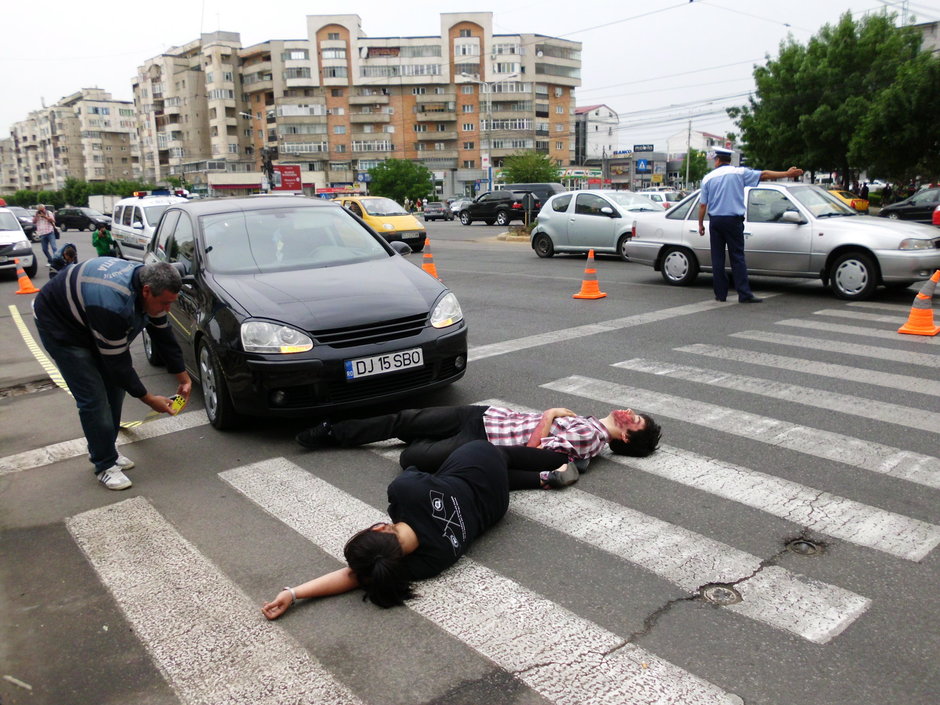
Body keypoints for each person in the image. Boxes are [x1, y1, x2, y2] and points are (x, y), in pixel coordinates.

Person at [262, 440, 576, 618]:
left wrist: (294, 593)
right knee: (431, 456)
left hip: (497, 505)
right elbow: (415, 472)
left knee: (485, 477)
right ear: (382, 529)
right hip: (479, 461)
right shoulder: (405, 491)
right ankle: (564, 457)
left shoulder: (427, 563)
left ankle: (541, 478)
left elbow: (355, 576)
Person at [33, 259, 192, 490]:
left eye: (171, 303)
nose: (167, 309)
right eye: (164, 303)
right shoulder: (112, 305)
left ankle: (107, 448)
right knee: (94, 399)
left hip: (90, 315)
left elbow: (163, 335)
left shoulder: (152, 285)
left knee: (115, 391)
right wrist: (148, 399)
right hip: (61, 327)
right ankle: (104, 464)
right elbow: (118, 363)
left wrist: (183, 378)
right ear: (146, 291)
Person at [296, 405, 662, 474]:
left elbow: (532, 451)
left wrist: (550, 415)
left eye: (635, 421)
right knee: (405, 419)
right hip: (484, 417)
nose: (629, 412)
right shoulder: (589, 425)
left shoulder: (589, 438)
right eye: (636, 413)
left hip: (482, 436)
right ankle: (332, 431)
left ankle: (335, 432)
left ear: (627, 440)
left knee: (412, 454)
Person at [697, 147, 803, 303]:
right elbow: (765, 174)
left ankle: (720, 294)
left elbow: (702, 206)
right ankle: (744, 293)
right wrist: (787, 174)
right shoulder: (739, 172)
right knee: (737, 257)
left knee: (717, 258)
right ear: (729, 160)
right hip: (733, 221)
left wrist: (700, 224)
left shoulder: (708, 178)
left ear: (717, 160)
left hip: (716, 221)